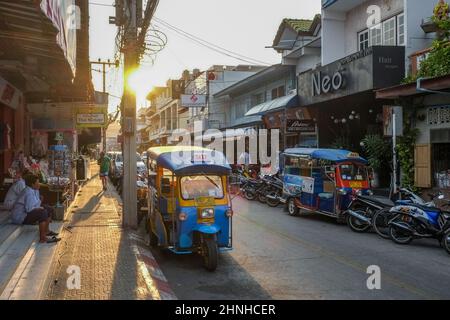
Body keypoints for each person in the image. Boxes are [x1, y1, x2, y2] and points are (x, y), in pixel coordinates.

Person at [11, 174, 60, 244]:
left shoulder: (34, 190)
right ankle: (42, 238)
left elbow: (36, 204)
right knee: (42, 212)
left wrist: (40, 203)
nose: (39, 184)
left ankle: (47, 231)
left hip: (26, 213)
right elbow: (29, 209)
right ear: (32, 184)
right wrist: (41, 207)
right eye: (37, 183)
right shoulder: (28, 192)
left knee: (49, 209)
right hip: (20, 217)